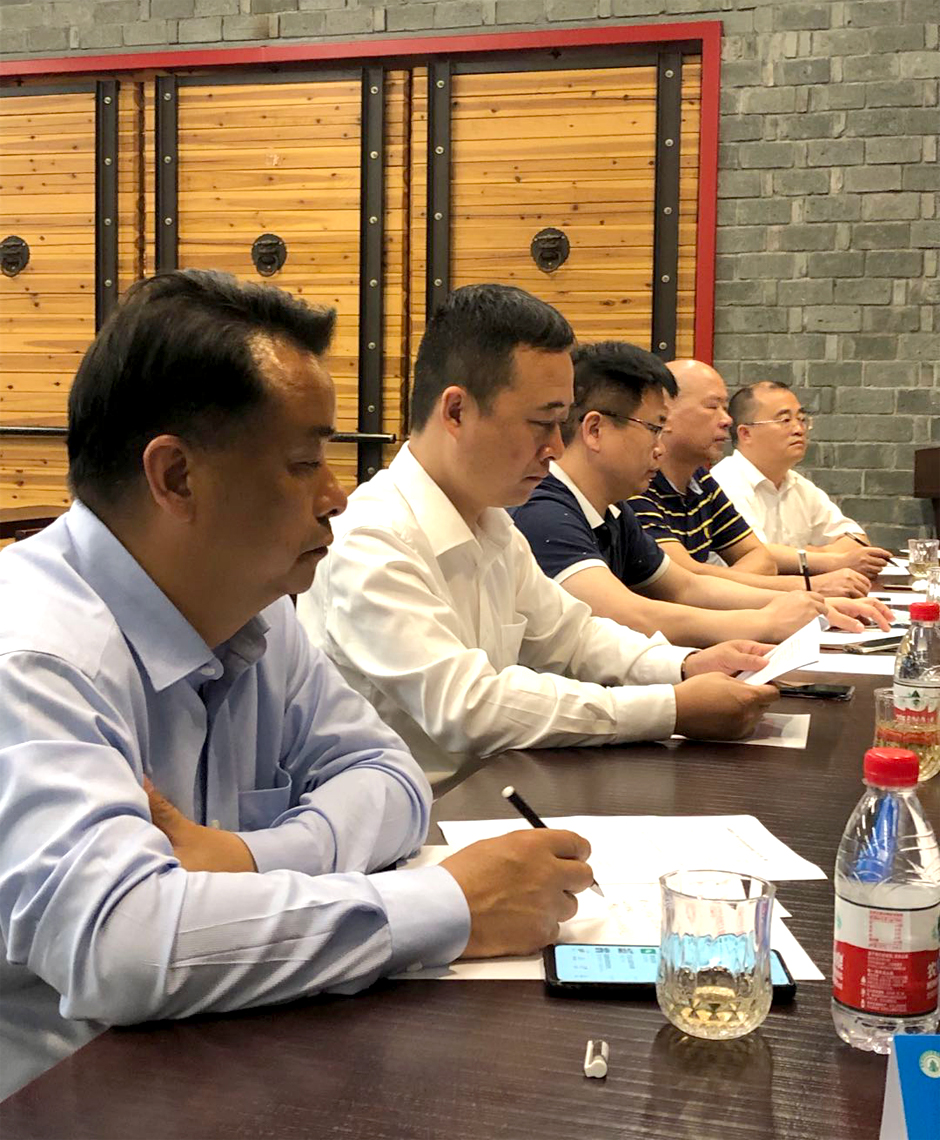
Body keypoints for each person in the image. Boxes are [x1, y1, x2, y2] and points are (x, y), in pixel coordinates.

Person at [0, 270, 595, 1100]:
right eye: (305, 461)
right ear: (176, 478)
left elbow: (391, 778)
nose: (337, 495)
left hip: (228, 1056)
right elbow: (123, 945)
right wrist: (448, 906)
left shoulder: (254, 608)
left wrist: (249, 859)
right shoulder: (33, 655)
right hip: (70, 1094)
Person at [297, 285, 778, 789]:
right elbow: (470, 707)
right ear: (456, 412)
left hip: (490, 793)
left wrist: (685, 665)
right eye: (542, 423)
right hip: (413, 819)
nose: (555, 448)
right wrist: (671, 707)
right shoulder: (372, 539)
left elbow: (573, 636)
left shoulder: (493, 523)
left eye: (560, 423)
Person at [510, 342, 891, 644]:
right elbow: (628, 614)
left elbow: (687, 586)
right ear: (595, 430)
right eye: (654, 427)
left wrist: (813, 602)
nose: (660, 446)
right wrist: (765, 621)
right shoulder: (545, 510)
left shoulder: (613, 511)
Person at [629, 359, 879, 600]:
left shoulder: (701, 482)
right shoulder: (637, 485)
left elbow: (763, 560)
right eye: (712, 407)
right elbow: (683, 579)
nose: (726, 419)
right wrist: (810, 584)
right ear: (665, 414)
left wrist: (713, 586)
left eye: (802, 420)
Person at [712, 379, 892, 578]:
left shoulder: (798, 485)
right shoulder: (724, 483)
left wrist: (813, 554)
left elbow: (857, 539)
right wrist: (833, 560)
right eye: (785, 420)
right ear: (746, 433)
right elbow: (757, 555)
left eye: (801, 419)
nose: (799, 429)